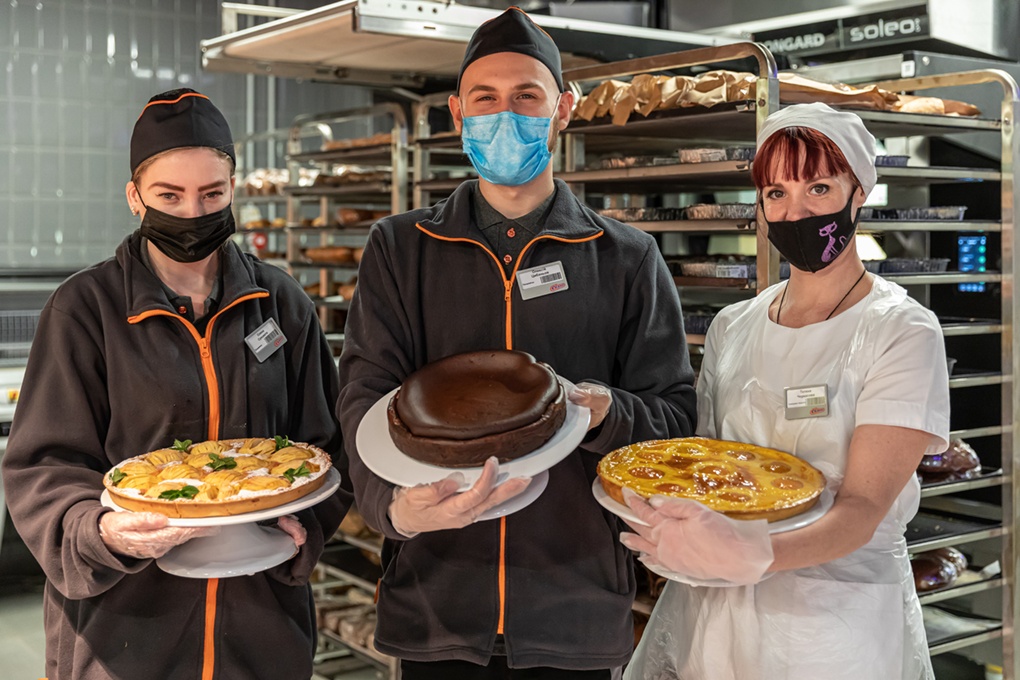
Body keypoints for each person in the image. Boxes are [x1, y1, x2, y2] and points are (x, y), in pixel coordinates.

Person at [336, 7, 698, 679]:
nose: (506, 115)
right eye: (486, 99)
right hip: (437, 599)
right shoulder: (401, 249)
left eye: (527, 97)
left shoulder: (625, 257)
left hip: (574, 601)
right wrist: (395, 510)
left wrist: (607, 413)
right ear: (457, 113)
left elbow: (675, 415)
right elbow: (364, 395)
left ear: (563, 109)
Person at [1, 88, 352, 680]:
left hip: (261, 628)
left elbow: (325, 445)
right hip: (125, 636)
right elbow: (43, 466)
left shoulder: (281, 303)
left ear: (233, 189)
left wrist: (304, 531)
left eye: (211, 193)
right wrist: (101, 532)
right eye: (169, 195)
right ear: (135, 196)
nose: (192, 212)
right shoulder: (86, 310)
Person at [621, 102, 951, 680]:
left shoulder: (901, 330)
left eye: (819, 188)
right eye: (776, 193)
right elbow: (707, 465)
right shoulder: (733, 326)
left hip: (834, 621)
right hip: (716, 607)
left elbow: (863, 509)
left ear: (859, 193)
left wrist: (755, 553)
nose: (796, 211)